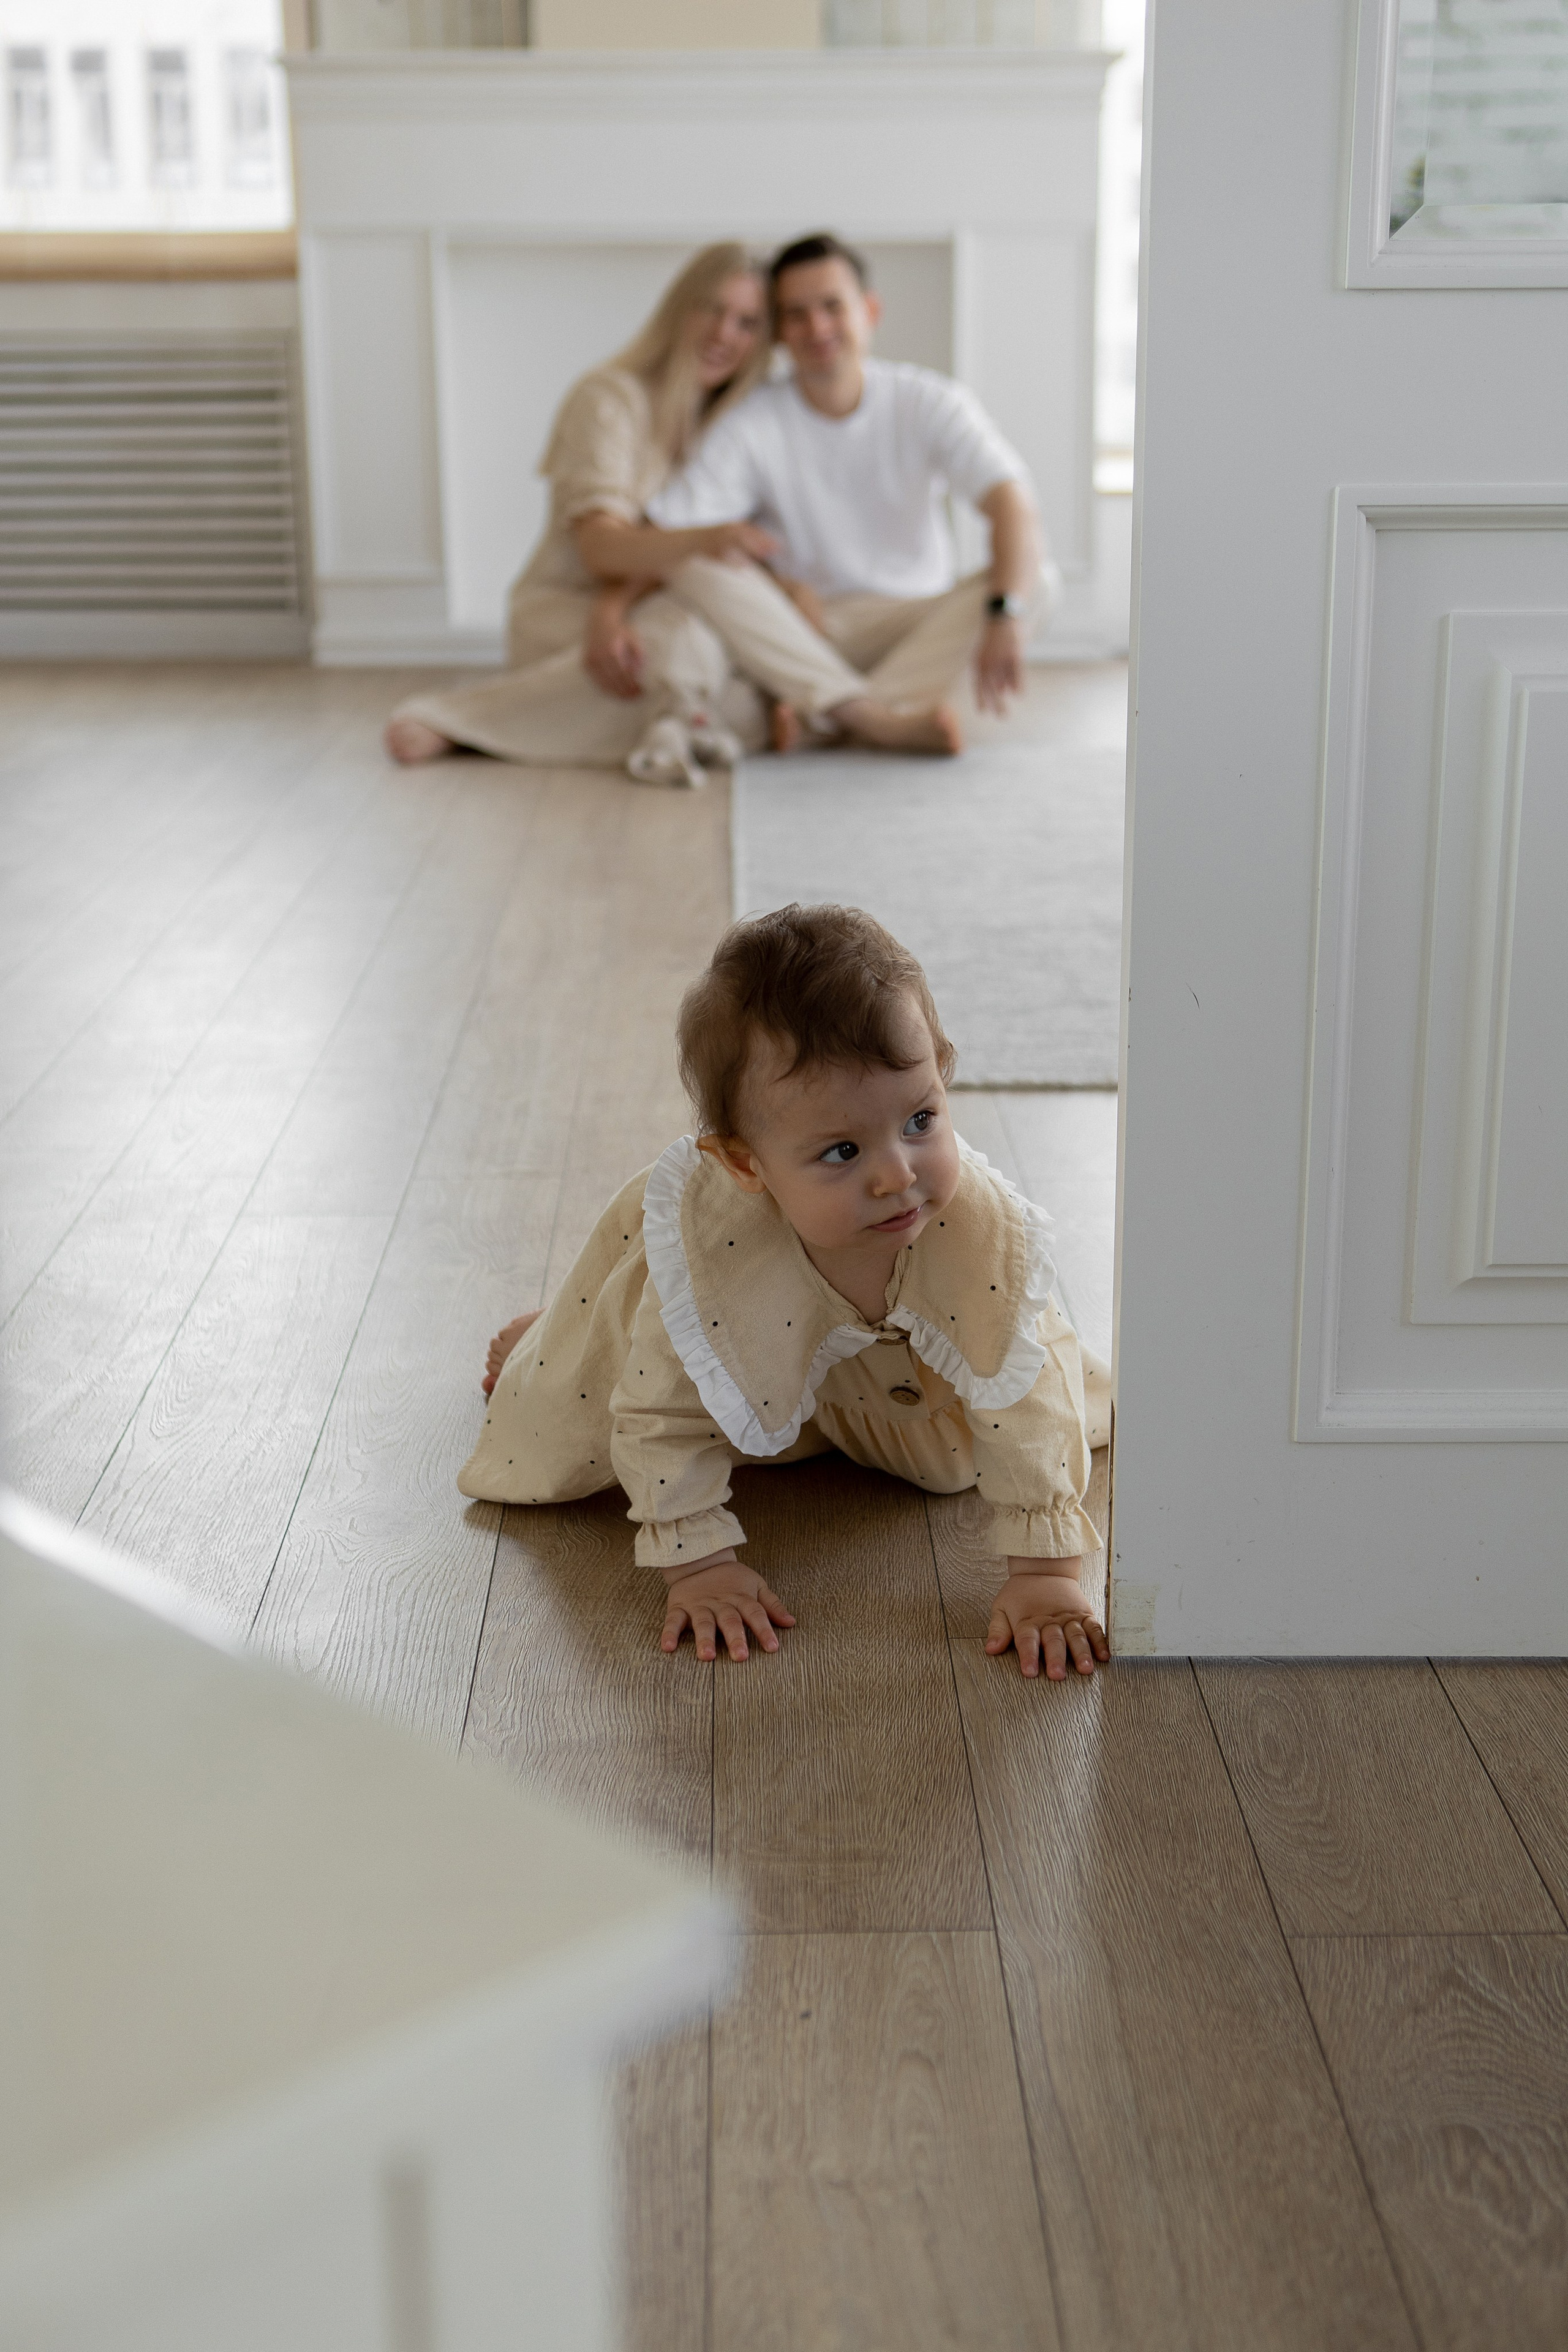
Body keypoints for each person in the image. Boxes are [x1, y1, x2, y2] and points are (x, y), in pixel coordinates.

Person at [458, 904, 1112, 1682]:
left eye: (920, 1119)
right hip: (771, 1342)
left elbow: (1027, 1400)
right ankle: (569, 1330)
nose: (896, 1174)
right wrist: (699, 1566)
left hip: (899, 1373)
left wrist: (1046, 1576)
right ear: (745, 1167)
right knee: (605, 1393)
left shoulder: (973, 1236)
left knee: (960, 1459)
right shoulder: (714, 1264)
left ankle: (832, 1382)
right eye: (842, 1150)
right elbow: (662, 1416)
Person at [383, 244, 782, 787]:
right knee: (685, 653)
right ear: (678, 310)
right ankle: (460, 720)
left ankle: (673, 719)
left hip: (659, 613)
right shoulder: (608, 400)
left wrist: (621, 605)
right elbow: (601, 549)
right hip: (565, 612)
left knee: (726, 681)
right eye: (711, 309)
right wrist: (628, 597)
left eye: (747, 323)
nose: (723, 334)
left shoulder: (738, 427)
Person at [649, 231, 1054, 759]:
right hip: (803, 627)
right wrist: (783, 585)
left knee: (1038, 581)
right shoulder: (753, 420)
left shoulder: (928, 401)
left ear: (869, 310)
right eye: (796, 314)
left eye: (832, 307)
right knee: (697, 565)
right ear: (779, 333)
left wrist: (1005, 613)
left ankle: (828, 716)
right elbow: (672, 535)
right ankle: (875, 718)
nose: (817, 328)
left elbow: (1011, 504)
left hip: (913, 622)